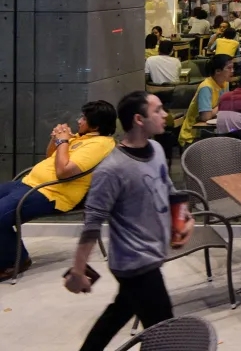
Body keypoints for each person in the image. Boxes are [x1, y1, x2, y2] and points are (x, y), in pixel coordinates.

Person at [66, 91, 194, 351]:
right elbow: (92, 224)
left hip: (151, 253)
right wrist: (78, 272)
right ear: (138, 119)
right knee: (165, 334)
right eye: (157, 110)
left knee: (119, 312)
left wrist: (184, 219)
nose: (165, 115)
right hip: (135, 262)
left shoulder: (156, 149)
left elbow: (168, 190)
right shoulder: (111, 169)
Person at [0, 101, 117, 281]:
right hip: (29, 183)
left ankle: (16, 260)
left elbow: (63, 172)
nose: (79, 121)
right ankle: (8, 252)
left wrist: (63, 141)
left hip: (52, 193)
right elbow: (51, 157)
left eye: (84, 118)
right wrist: (56, 139)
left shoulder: (99, 144)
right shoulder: (82, 137)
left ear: (96, 126)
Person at [178, 54, 233, 147]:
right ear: (218, 71)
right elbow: (205, 117)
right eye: (229, 68)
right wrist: (222, 105)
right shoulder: (206, 87)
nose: (232, 71)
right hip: (194, 137)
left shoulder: (225, 83)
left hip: (211, 132)